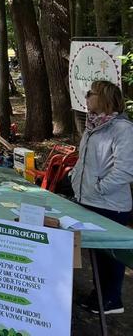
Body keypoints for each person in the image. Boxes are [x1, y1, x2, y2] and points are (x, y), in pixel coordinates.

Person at [72, 80, 133, 315]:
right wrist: (75, 177)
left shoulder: (122, 129)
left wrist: (98, 188)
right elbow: (83, 159)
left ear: (105, 98)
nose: (87, 97)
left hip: (110, 204)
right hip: (89, 200)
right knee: (97, 254)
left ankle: (111, 300)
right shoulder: (92, 126)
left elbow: (125, 170)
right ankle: (99, 295)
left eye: (91, 93)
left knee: (111, 255)